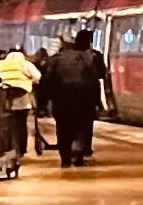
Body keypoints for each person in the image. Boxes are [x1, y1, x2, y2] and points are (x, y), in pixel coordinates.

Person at [34, 29, 111, 167]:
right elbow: (100, 77)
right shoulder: (91, 58)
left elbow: (45, 83)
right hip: (85, 99)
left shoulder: (55, 60)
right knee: (83, 126)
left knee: (63, 128)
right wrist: (98, 103)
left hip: (62, 100)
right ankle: (78, 153)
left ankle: (65, 157)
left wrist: (41, 104)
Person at [0, 42, 37, 165]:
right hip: (22, 99)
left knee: (6, 125)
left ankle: (8, 147)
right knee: (21, 124)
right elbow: (38, 77)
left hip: (3, 100)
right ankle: (21, 149)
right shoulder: (26, 64)